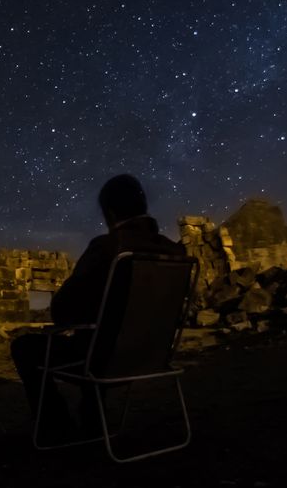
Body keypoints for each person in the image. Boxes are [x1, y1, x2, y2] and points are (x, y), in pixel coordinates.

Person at [10, 174, 186, 441]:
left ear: (110, 213)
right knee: (104, 329)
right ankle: (92, 415)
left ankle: (56, 425)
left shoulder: (106, 247)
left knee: (25, 347)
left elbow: (62, 310)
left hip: (104, 360)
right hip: (151, 357)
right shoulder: (175, 251)